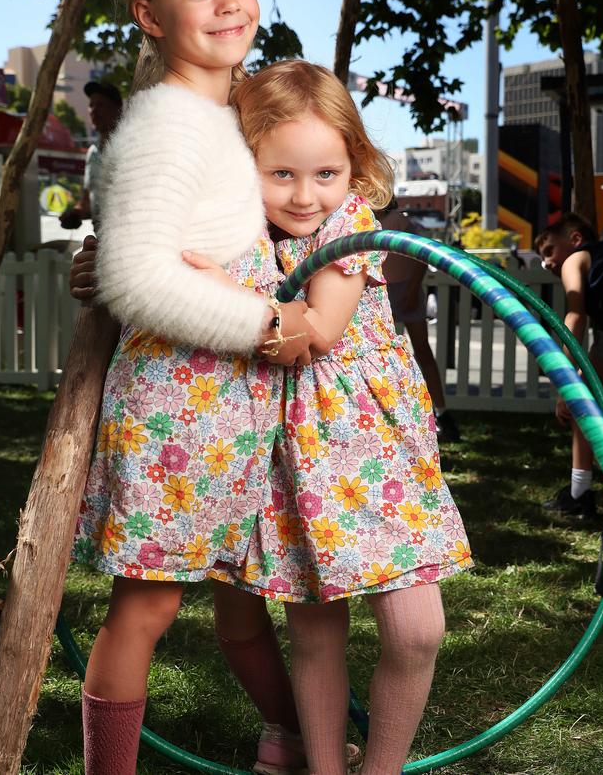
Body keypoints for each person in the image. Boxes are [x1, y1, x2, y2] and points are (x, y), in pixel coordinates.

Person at [71, 0, 316, 774]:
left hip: (231, 407)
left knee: (243, 604)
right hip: (183, 403)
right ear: (150, 11)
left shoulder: (224, 113)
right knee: (146, 609)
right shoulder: (171, 120)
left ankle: (288, 736)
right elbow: (141, 278)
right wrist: (271, 325)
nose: (226, 4)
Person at [186, 61, 473, 775]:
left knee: (415, 629)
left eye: (326, 172)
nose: (306, 195)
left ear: (353, 166)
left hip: (377, 448)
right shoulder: (239, 231)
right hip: (295, 452)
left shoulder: (352, 222)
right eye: (281, 174)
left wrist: (225, 293)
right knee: (314, 630)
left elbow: (311, 332)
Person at [535, 212, 603, 517]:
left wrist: (566, 385)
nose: (546, 262)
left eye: (548, 250)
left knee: (580, 399)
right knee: (587, 398)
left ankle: (579, 494)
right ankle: (579, 493)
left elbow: (575, 317)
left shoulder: (576, 259)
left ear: (574, 240)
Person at [378, 203, 461, 443]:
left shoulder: (399, 221)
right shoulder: (361, 218)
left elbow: (420, 257)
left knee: (422, 351)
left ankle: (442, 412)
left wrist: (413, 290)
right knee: (385, 355)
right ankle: (392, 412)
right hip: (383, 291)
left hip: (406, 289)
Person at [59, 81, 123, 232]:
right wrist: (75, 213)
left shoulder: (129, 148)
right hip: (100, 240)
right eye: (91, 105)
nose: (94, 110)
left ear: (118, 109)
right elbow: (86, 203)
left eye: (100, 105)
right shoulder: (92, 153)